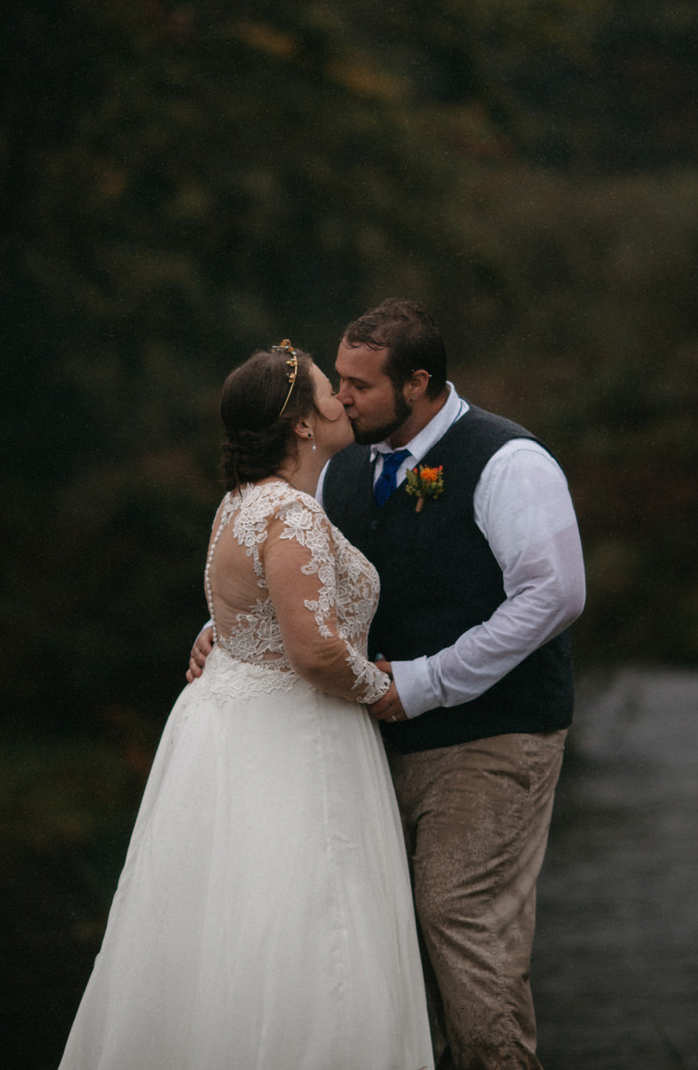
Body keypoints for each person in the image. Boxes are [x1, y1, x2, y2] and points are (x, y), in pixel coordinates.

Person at [192, 299, 586, 1070]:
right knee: (382, 935)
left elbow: (555, 593)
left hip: (493, 732)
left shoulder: (508, 460)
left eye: (359, 386)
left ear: (419, 384)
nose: (339, 399)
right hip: (369, 743)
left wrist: (431, 679)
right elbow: (291, 580)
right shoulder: (338, 468)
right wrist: (231, 632)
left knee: (458, 913)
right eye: (335, 380)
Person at [59, 341, 433, 1070]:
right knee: (309, 924)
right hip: (295, 737)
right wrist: (383, 690)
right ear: (299, 424)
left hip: (234, 728)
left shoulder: (241, 503)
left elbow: (242, 620)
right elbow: (313, 651)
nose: (340, 404)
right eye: (328, 393)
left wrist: (214, 644)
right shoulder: (290, 514)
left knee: (229, 924)